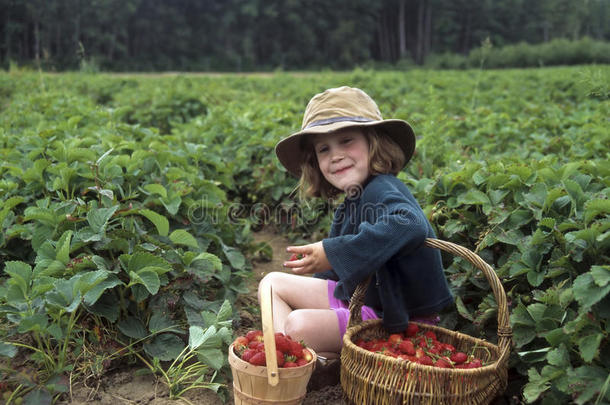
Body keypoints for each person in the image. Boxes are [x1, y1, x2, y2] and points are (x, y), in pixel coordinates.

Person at [259, 86, 453, 360]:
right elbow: (332, 276)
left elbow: (410, 223)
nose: (336, 155)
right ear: (315, 162)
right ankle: (304, 361)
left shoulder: (383, 187)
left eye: (347, 140)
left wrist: (333, 252)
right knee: (271, 284)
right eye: (324, 149)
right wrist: (330, 262)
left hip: (398, 319)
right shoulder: (350, 203)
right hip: (365, 300)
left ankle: (306, 358)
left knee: (298, 325)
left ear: (374, 143)